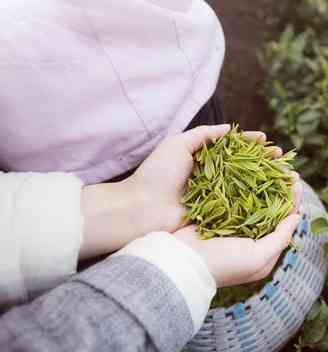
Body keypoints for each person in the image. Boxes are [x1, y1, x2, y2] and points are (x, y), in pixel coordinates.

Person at [0, 1, 302, 351]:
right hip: (43, 136)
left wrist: (131, 203)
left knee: (200, 148)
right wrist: (181, 274)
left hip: (163, 72)